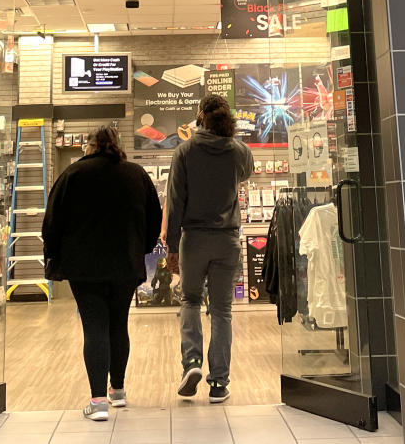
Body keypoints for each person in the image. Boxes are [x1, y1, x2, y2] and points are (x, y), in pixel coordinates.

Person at [42, 125, 162, 422]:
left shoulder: (72, 176)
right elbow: (154, 217)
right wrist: (142, 249)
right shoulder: (137, 175)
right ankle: (118, 392)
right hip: (125, 263)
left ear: (90, 146)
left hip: (84, 267)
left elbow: (51, 223)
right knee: (118, 323)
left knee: (94, 327)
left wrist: (55, 256)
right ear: (118, 145)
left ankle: (97, 403)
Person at [165, 94, 254, 403]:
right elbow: (246, 173)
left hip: (194, 239)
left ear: (200, 116)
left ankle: (191, 363)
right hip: (227, 240)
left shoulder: (185, 151)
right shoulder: (238, 151)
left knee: (189, 301)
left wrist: (172, 247)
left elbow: (175, 203)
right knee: (221, 310)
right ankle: (219, 383)